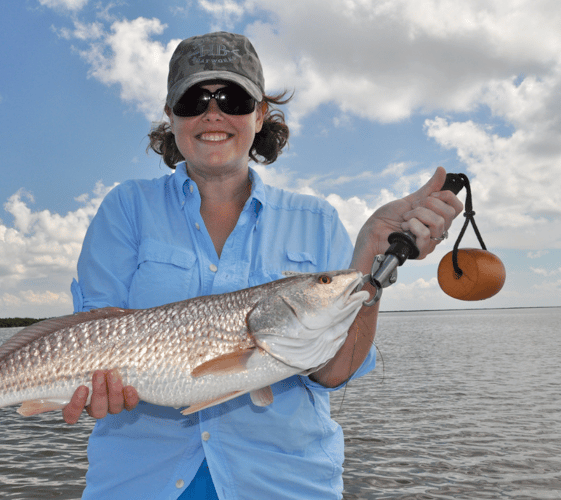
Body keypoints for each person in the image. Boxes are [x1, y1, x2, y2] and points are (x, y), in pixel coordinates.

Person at [64, 32, 463, 499]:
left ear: (259, 115)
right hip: (137, 485)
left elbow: (334, 373)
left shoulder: (317, 221)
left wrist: (372, 264)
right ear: (171, 119)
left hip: (285, 485)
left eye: (231, 97)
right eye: (194, 100)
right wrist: (97, 388)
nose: (213, 114)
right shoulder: (125, 209)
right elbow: (90, 334)